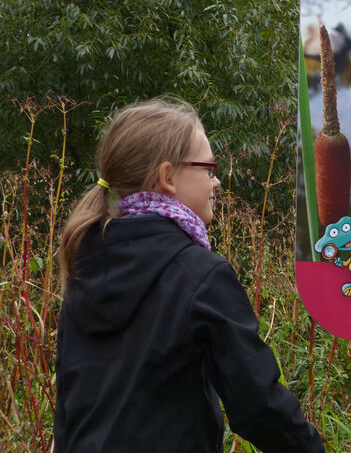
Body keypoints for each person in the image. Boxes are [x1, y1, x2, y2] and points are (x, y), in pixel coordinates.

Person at [55, 98, 324, 453]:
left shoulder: (83, 266)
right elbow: (259, 405)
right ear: (167, 177)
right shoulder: (202, 275)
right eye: (208, 168)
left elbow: (70, 405)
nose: (217, 182)